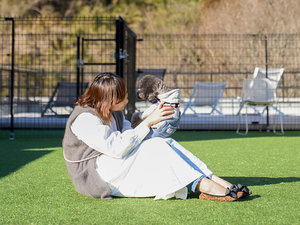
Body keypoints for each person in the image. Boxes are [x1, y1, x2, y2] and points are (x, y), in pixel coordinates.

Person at [62, 72, 252, 201]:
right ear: (110, 98)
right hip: (97, 174)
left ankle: (213, 179)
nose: (128, 98)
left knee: (164, 142)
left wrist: (146, 119)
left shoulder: (113, 111)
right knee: (156, 146)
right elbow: (116, 148)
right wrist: (148, 122)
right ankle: (205, 186)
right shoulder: (84, 119)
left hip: (112, 163)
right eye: (124, 96)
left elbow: (130, 134)